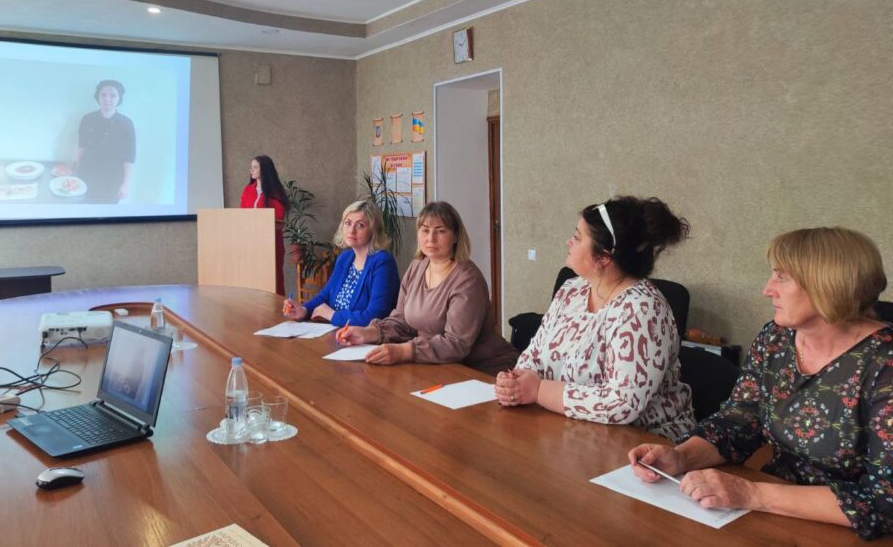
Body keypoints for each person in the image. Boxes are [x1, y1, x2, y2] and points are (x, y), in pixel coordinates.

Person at [627, 227, 892, 540]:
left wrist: (752, 494)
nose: (768, 289)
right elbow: (740, 420)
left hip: (847, 532)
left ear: (828, 285)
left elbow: (884, 503)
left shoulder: (884, 365)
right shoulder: (776, 338)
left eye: (782, 278)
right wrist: (681, 457)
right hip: (776, 512)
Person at [495, 196, 695, 441]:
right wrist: (518, 378)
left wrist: (538, 390)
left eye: (578, 237)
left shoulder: (643, 310)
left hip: (642, 444)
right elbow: (536, 352)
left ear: (603, 257)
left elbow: (621, 404)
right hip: (567, 428)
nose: (569, 242)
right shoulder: (572, 289)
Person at [340, 201, 518, 375]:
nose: (431, 238)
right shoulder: (417, 266)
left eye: (440, 231)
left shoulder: (467, 279)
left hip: (482, 370)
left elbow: (456, 343)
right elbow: (402, 320)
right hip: (436, 366)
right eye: (425, 230)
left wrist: (404, 351)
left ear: (455, 236)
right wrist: (369, 333)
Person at [282, 200, 399, 326]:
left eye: (360, 225)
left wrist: (332, 315)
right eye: (348, 223)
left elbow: (375, 317)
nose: (351, 230)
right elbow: (326, 295)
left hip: (365, 336)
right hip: (336, 331)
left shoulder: (383, 263)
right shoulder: (346, 257)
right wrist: (303, 310)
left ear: (373, 231)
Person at [76, 79, 135, 203]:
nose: (107, 99)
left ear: (119, 98)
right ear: (98, 96)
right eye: (103, 95)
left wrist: (126, 184)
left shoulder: (126, 123)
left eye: (113, 95)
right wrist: (77, 171)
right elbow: (82, 147)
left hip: (112, 178)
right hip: (88, 174)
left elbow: (129, 157)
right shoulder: (87, 119)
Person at [239, 155, 289, 295]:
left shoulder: (276, 192)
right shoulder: (248, 190)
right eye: (251, 167)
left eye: (255, 167)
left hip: (270, 244)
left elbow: (278, 217)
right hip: (250, 243)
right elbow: (241, 213)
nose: (251, 170)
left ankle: (275, 307)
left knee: (273, 281)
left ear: (265, 169)